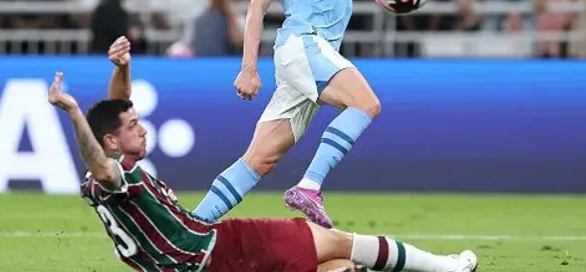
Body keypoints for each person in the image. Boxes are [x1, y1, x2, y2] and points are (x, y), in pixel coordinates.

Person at [46, 36, 479, 272]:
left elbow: (114, 120)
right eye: (133, 127)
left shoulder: (112, 173)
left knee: (340, 267)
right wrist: (70, 111)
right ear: (110, 143)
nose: (141, 127)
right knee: (336, 242)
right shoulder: (112, 179)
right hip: (218, 251)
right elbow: (98, 156)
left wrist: (121, 70)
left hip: (206, 260)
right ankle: (444, 268)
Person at [192, 0, 380, 229]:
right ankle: (309, 186)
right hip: (302, 45)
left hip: (315, 58)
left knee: (260, 159)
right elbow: (257, 6)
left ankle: (188, 229)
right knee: (367, 104)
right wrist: (249, 67)